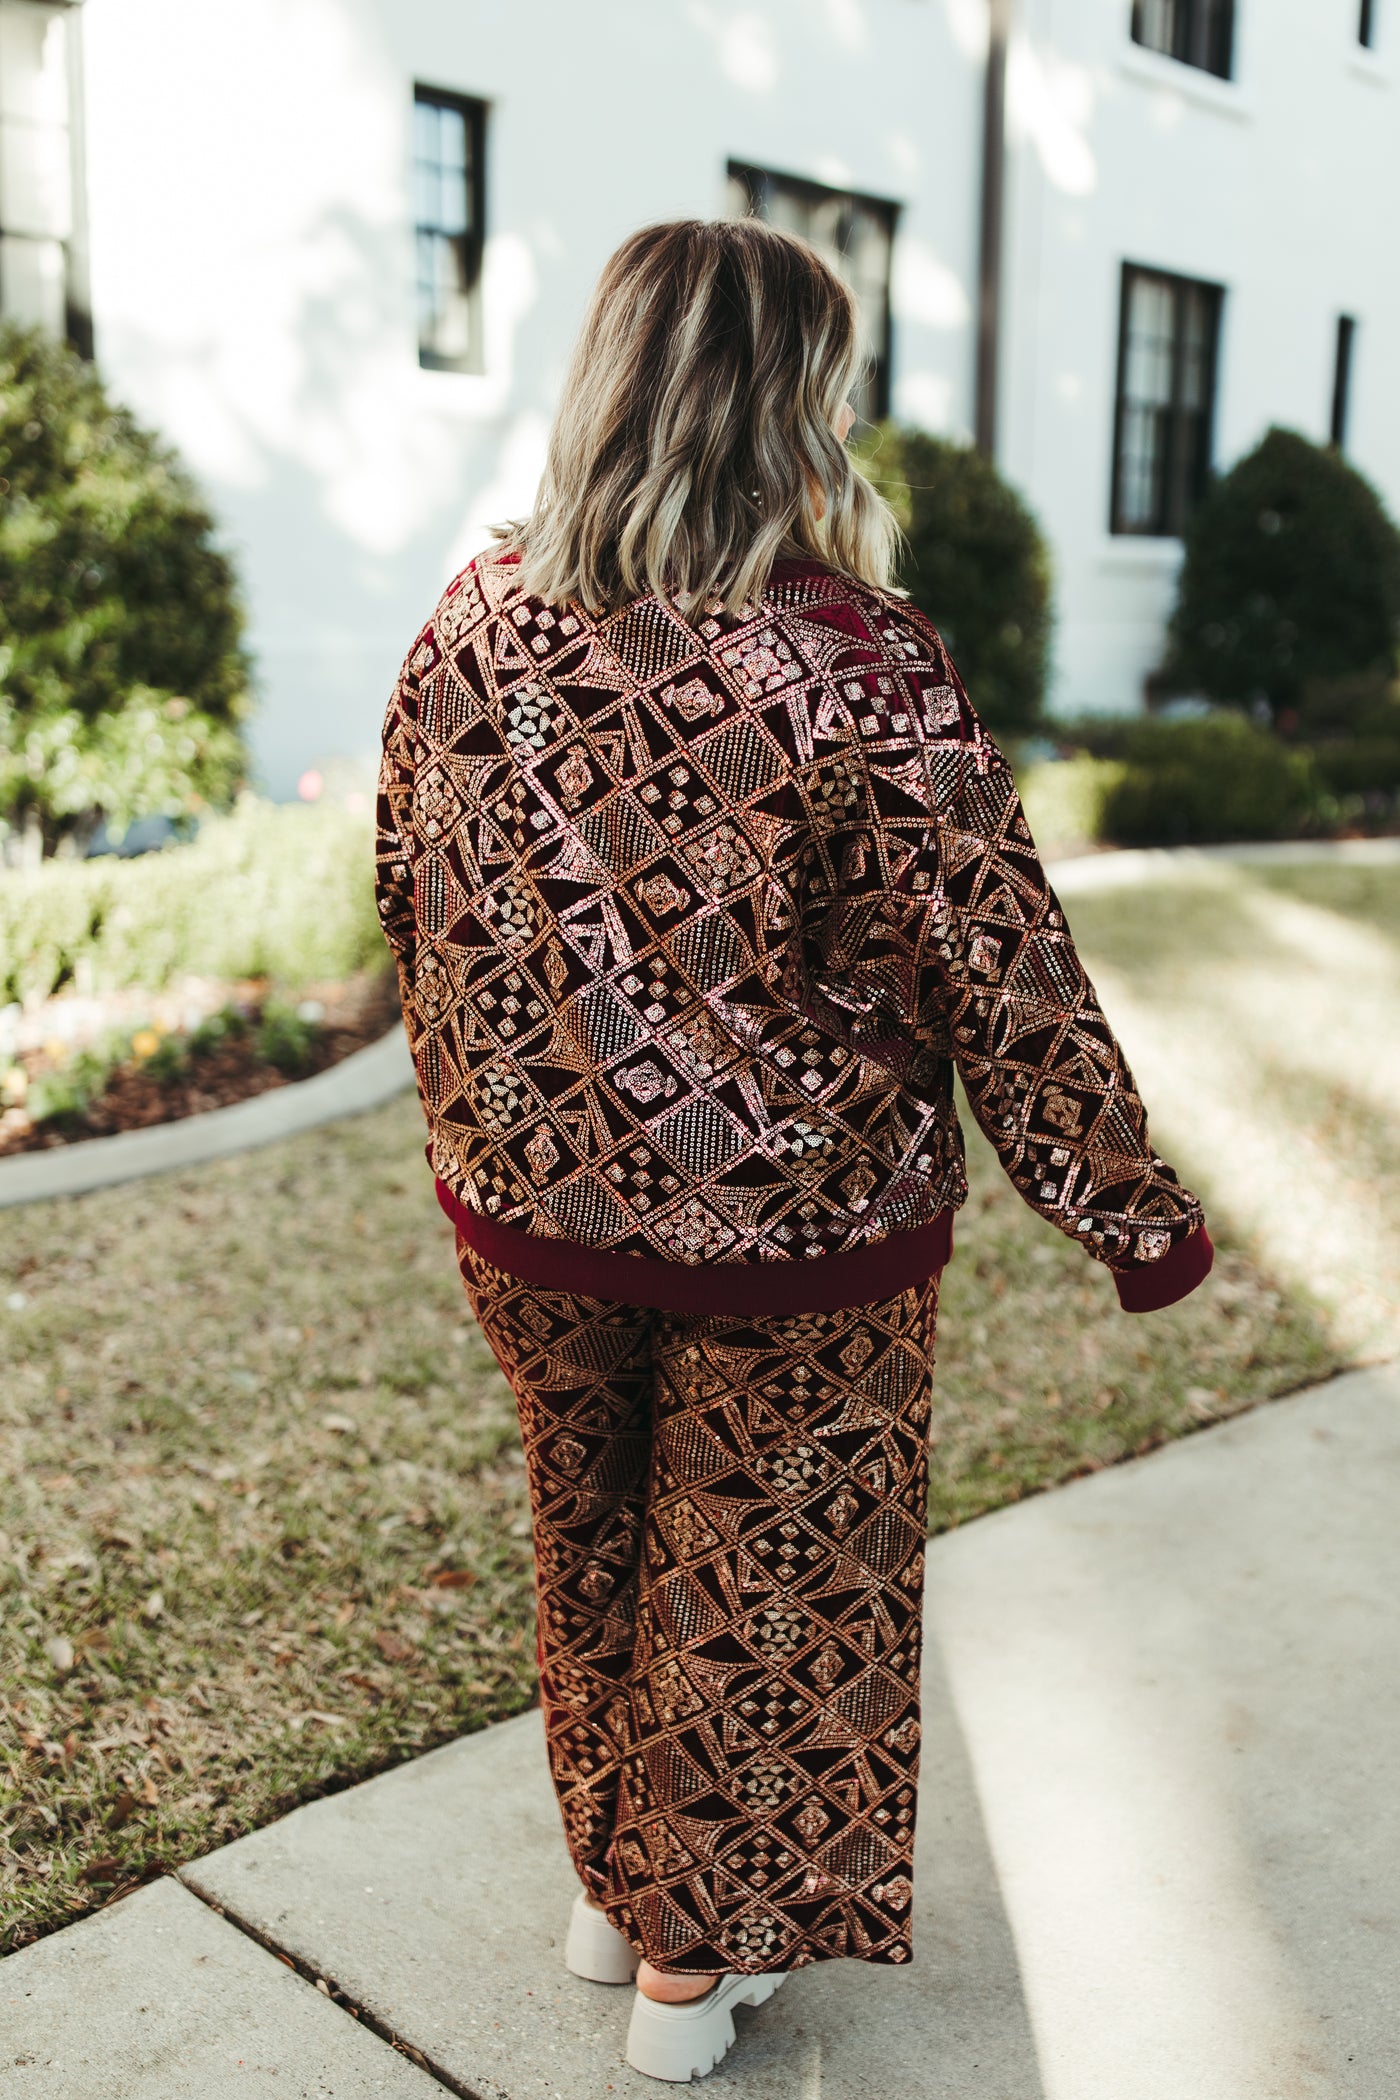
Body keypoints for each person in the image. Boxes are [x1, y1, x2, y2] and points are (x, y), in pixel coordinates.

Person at [375, 217, 1212, 2083]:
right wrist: (1127, 1212)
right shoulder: (856, 656)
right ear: (790, 401)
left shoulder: (473, 617)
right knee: (767, 1580)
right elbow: (998, 957)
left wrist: (489, 1122)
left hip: (533, 1207)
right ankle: (689, 1975)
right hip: (801, 1224)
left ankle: (617, 1893)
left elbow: (410, 889)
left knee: (592, 1539)